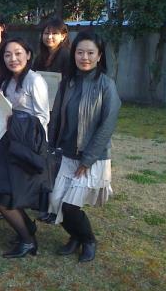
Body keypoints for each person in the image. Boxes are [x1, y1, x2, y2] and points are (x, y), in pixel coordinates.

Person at [48, 31, 121, 262]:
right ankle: (75, 236)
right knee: (56, 201)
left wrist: (87, 160)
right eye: (80, 52)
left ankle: (88, 240)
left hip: (92, 158)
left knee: (70, 206)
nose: (84, 57)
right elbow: (56, 117)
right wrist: (50, 146)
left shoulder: (106, 86)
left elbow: (106, 127)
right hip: (68, 154)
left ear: (99, 56)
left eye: (90, 52)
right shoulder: (68, 82)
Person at [0, 37, 50, 258]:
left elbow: (42, 118)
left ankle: (28, 241)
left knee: (3, 196)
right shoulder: (8, 81)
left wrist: (15, 120)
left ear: (28, 55)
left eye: (18, 53)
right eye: (8, 54)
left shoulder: (34, 80)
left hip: (24, 148)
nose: (13, 58)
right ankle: (26, 229)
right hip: (5, 144)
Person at [32, 17, 70, 222]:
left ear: (63, 35)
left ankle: (54, 206)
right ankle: (44, 203)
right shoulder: (40, 57)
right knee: (44, 155)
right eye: (46, 32)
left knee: (55, 159)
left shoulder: (65, 56)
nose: (49, 36)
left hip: (58, 112)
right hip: (43, 110)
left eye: (54, 33)